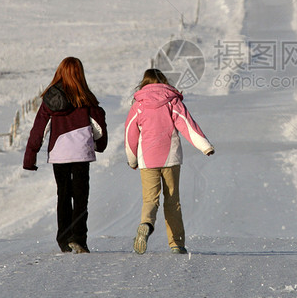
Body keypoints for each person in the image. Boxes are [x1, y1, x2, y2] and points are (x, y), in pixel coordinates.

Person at [125, 68, 214, 254]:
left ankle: (146, 225)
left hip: (147, 159)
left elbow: (130, 135)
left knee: (150, 199)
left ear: (144, 83)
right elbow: (187, 124)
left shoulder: (138, 105)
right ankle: (176, 244)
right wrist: (204, 146)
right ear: (164, 82)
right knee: (172, 201)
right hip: (170, 157)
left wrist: (132, 159)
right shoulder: (172, 101)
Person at [24, 57, 107, 254]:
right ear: (80, 73)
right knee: (80, 197)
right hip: (81, 153)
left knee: (63, 195)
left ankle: (63, 240)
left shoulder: (50, 100)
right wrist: (100, 145)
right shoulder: (86, 98)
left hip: (59, 154)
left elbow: (38, 130)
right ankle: (78, 239)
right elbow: (99, 128)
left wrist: (30, 156)